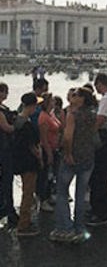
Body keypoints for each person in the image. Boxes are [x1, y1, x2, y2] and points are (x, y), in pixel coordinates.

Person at [49, 87, 97, 243]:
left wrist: (68, 153)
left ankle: (65, 229)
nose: (72, 97)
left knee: (62, 192)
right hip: (88, 157)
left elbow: (68, 137)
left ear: (82, 99)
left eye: (75, 95)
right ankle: (79, 228)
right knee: (81, 195)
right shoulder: (92, 113)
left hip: (72, 158)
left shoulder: (72, 115)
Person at [87, 73, 107, 226]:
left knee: (99, 176)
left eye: (96, 85)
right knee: (103, 174)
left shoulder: (106, 99)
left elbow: (100, 120)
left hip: (103, 141)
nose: (95, 89)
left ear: (100, 83)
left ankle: (100, 212)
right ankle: (100, 209)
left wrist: (88, 134)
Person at [14, 92, 43, 236]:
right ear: (31, 106)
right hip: (29, 162)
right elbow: (32, 145)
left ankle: (25, 220)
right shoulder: (27, 124)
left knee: (27, 192)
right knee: (28, 193)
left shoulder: (17, 120)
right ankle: (23, 225)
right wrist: (40, 158)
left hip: (20, 160)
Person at [37, 93, 61, 213]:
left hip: (54, 148)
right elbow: (44, 138)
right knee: (45, 175)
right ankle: (43, 200)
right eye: (52, 101)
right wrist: (49, 153)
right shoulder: (43, 117)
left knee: (51, 175)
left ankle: (49, 195)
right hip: (48, 149)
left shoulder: (50, 114)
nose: (54, 103)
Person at [0, 83, 18, 228]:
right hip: (4, 149)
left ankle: (6, 208)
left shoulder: (4, 109)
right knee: (6, 180)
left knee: (6, 181)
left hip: (6, 148)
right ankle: (8, 210)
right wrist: (18, 126)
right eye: (4, 92)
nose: (6, 95)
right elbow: (6, 128)